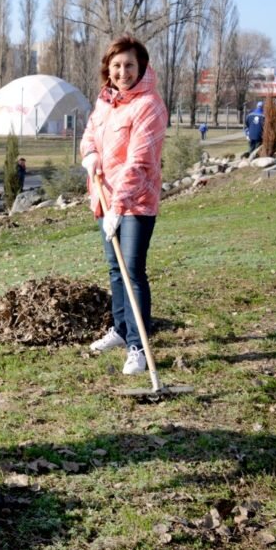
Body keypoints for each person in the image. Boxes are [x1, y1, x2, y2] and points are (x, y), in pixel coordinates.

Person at [80, 34, 167, 376]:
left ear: (141, 66)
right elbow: (90, 133)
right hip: (105, 197)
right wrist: (90, 154)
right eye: (116, 65)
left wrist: (118, 207)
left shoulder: (149, 105)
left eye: (129, 65)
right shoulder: (106, 100)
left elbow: (140, 163)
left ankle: (138, 346)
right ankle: (119, 329)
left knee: (132, 271)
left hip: (136, 202)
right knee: (115, 269)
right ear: (108, 68)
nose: (122, 72)